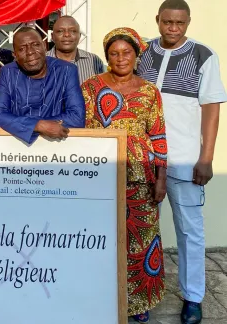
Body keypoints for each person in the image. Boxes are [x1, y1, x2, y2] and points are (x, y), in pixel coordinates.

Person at [137, 1, 227, 323]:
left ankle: (193, 297)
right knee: (143, 232)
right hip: (145, 161)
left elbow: (212, 109)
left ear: (188, 22)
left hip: (185, 160)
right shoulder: (142, 51)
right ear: (157, 20)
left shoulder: (203, 55)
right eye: (167, 22)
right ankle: (140, 294)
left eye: (180, 23)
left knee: (190, 232)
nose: (173, 29)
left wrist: (206, 158)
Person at [82, 27, 168, 323]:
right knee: (102, 238)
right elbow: (81, 130)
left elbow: (157, 136)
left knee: (141, 239)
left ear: (136, 55)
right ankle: (103, 297)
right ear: (107, 57)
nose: (120, 58)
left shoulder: (148, 91)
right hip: (102, 176)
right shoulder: (90, 88)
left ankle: (139, 301)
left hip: (141, 179)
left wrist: (161, 179)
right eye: (114, 53)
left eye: (126, 52)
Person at [0, 26, 85, 144]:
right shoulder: (8, 72)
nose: (30, 52)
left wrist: (25, 124)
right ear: (15, 55)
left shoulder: (66, 70)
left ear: (44, 46)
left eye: (35, 45)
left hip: (58, 147)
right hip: (18, 148)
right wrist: (38, 125)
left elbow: (77, 117)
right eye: (22, 49)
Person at [47, 15, 105, 84]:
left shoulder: (94, 60)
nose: (67, 34)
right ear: (52, 36)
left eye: (73, 31)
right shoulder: (41, 61)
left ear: (79, 36)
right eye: (60, 31)